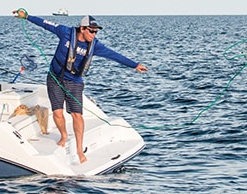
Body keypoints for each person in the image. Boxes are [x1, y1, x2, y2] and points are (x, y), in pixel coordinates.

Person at [13, 10, 147, 163]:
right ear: (82, 29)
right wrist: (26, 16)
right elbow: (45, 24)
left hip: (74, 82)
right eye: (91, 31)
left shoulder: (95, 46)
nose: (94, 35)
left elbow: (114, 55)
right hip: (55, 78)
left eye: (96, 32)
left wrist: (134, 65)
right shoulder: (65, 33)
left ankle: (79, 149)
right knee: (57, 113)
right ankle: (64, 135)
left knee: (77, 115)